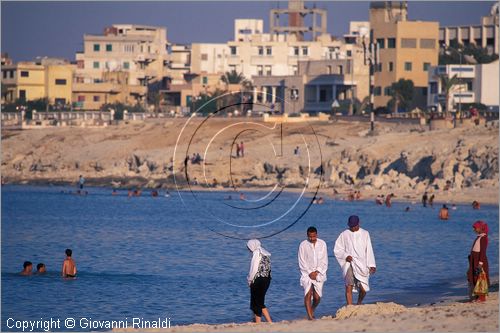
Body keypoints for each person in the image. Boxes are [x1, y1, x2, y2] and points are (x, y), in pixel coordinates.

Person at [334, 216, 376, 305]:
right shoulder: (344, 234)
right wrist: (345, 256)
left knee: (363, 289)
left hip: (362, 264)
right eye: (351, 226)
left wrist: (372, 264)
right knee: (349, 285)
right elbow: (337, 249)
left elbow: (369, 249)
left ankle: (359, 303)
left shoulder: (365, 233)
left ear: (358, 223)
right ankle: (350, 307)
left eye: (354, 226)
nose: (353, 228)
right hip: (349, 264)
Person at [298, 226, 328, 320]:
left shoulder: (322, 244)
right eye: (310, 237)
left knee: (317, 297)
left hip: (319, 273)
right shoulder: (303, 245)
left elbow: (324, 259)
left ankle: (312, 310)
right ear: (307, 235)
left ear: (316, 235)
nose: (312, 238)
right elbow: (301, 260)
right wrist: (310, 272)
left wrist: (317, 271)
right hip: (306, 273)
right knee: (308, 293)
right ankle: (310, 318)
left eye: (314, 236)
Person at [246, 239, 272, 323]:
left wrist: (250, 280)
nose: (249, 250)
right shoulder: (265, 253)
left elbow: (254, 268)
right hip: (266, 279)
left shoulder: (257, 253)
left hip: (258, 280)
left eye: (249, 248)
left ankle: (262, 322)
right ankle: (263, 321)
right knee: (259, 301)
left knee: (257, 303)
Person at [467, 221, 489, 302]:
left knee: (480, 278)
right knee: (473, 276)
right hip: (474, 260)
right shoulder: (479, 237)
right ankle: (477, 296)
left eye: (475, 227)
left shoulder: (483, 238)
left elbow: (483, 252)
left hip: (479, 261)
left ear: (480, 228)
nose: (474, 229)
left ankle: (482, 297)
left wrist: (480, 264)